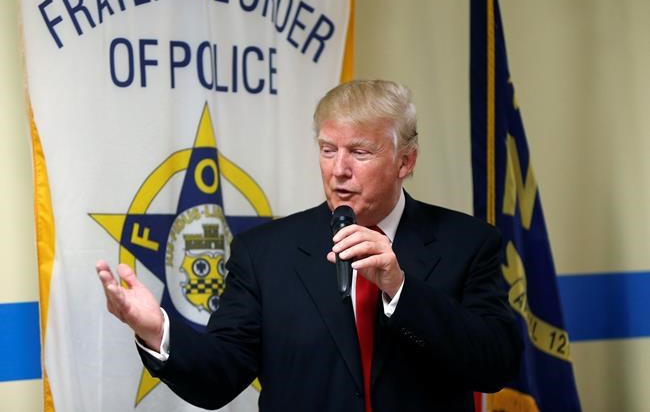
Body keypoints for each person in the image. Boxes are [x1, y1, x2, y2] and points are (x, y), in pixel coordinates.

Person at [96, 80, 522, 411]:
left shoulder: (468, 243)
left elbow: (495, 365)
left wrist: (400, 290)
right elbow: (218, 379)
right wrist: (157, 331)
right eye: (328, 150)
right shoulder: (263, 254)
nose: (339, 170)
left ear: (405, 161)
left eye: (360, 152)